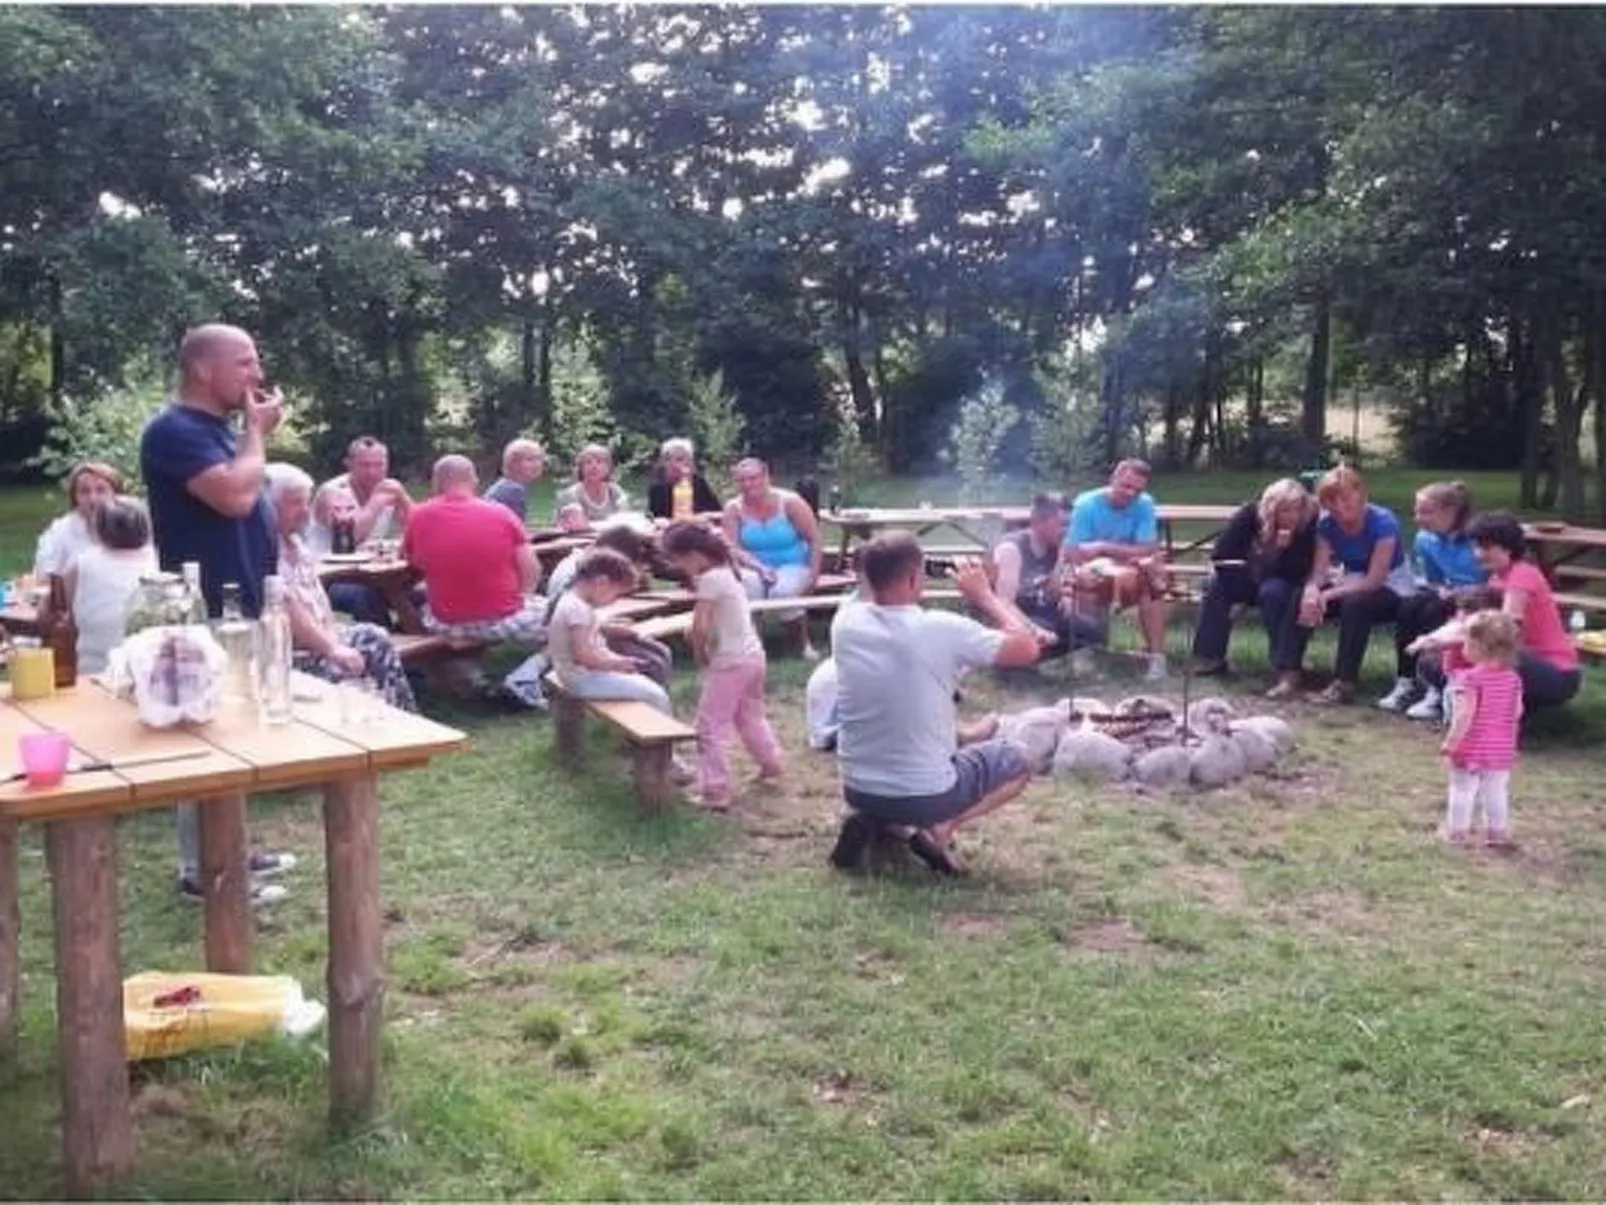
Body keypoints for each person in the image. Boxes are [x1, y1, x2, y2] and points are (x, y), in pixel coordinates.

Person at [139, 322, 294, 905]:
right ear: (204, 370)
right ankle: (202, 872)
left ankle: (230, 848)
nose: (258, 374)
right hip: (206, 609)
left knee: (236, 731)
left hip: (244, 602)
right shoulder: (174, 432)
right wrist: (256, 434)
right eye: (245, 363)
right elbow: (234, 496)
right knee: (206, 738)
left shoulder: (220, 433)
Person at [829, 532, 1042, 875]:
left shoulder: (845, 621)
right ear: (915, 577)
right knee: (1020, 759)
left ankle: (881, 821)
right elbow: (1028, 648)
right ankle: (939, 828)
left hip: (858, 788)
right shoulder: (939, 628)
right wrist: (986, 596)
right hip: (925, 792)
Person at [266, 464, 417, 712]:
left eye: (306, 502)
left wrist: (332, 635)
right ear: (268, 507)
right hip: (293, 655)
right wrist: (332, 648)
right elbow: (288, 607)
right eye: (295, 503)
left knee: (374, 636)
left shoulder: (296, 543)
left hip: (322, 640)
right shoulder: (265, 550)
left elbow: (318, 597)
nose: (305, 511)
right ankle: (388, 716)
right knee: (366, 609)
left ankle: (403, 716)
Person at [661, 521, 784, 809]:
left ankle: (716, 791)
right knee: (750, 715)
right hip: (753, 656)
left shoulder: (709, 580)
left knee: (709, 726)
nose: (679, 567)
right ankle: (771, 763)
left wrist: (699, 651)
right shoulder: (728, 572)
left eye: (679, 560)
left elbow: (700, 627)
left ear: (694, 555)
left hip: (730, 662)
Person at [404, 454, 546, 704]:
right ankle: (526, 675)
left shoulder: (417, 515)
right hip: (500, 616)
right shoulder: (501, 513)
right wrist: (524, 597)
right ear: (474, 480)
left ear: (436, 481)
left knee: (419, 599)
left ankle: (465, 673)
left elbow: (411, 562)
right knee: (570, 618)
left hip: (445, 621)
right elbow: (532, 569)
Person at [1411, 512, 1581, 716]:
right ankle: (1467, 706)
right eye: (1476, 547)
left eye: (1486, 547)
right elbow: (1465, 621)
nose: (1478, 554)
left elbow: (1503, 630)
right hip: (1520, 659)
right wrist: (1431, 639)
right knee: (1431, 661)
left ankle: (1501, 714)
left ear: (1508, 547)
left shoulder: (1522, 574)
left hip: (1555, 672)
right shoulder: (1496, 579)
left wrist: (1450, 641)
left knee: (1495, 655)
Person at [1290, 466, 1417, 704]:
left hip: (1393, 585)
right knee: (1300, 597)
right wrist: (1312, 591)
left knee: (1356, 605)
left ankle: (1344, 682)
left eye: (1346, 497)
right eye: (1331, 499)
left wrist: (1328, 595)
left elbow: (1374, 579)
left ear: (1362, 495)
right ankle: (1290, 671)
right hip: (1351, 580)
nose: (1339, 505)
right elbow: (1319, 572)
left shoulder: (1383, 522)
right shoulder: (1326, 525)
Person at [1190, 478, 1320, 683]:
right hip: (1249, 576)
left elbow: (1299, 569)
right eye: (1285, 510)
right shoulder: (1250, 515)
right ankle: (1210, 657)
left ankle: (1284, 661)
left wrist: (1280, 551)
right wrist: (1253, 568)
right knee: (1216, 586)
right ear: (1271, 509)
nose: (1292, 516)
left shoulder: (1308, 523)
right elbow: (1222, 554)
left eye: (1297, 509)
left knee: (1273, 593)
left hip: (1285, 580)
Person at [1379, 481, 1488, 718]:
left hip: (1480, 599)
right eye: (1417, 511)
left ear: (1451, 512)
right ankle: (1406, 680)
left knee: (1434, 610)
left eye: (1426, 512)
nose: (1418, 518)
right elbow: (1433, 580)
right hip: (1447, 593)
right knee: (1408, 606)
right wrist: (1441, 589)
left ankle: (1437, 690)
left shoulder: (1476, 539)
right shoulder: (1424, 539)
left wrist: (1460, 592)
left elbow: (1493, 580)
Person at [1063, 459, 1171, 681]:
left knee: (1153, 583)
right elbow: (1074, 552)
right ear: (1113, 479)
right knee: (1084, 579)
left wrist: (1103, 547)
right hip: (1091, 572)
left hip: (1129, 573)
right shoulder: (1086, 505)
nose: (1131, 494)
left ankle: (1157, 659)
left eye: (1137, 490)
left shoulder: (1144, 504)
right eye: (1126, 486)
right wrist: (1121, 554)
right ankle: (1085, 653)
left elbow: (1147, 549)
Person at [1437, 610, 1524, 847]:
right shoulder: (1513, 679)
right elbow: (1517, 711)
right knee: (1496, 790)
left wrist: (1450, 743)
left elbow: (1464, 715)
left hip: (1472, 745)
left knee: (1462, 788)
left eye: (1466, 640)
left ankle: (1456, 833)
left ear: (1478, 647)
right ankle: (1497, 833)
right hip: (1501, 747)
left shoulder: (1469, 679)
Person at [723, 457, 824, 660]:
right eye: (742, 480)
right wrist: (759, 568)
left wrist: (813, 576)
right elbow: (733, 548)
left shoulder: (791, 503)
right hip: (753, 566)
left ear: (766, 477)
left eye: (753, 478)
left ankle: (803, 644)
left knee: (783, 591)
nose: (748, 484)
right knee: (747, 587)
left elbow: (814, 540)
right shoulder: (733, 508)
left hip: (793, 565)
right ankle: (753, 647)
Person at [306, 436, 413, 626]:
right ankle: (380, 641)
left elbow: (418, 529)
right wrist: (376, 502)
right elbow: (351, 538)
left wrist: (403, 499)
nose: (372, 472)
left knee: (416, 593)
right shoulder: (333, 492)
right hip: (327, 578)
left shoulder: (390, 488)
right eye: (365, 465)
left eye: (379, 465)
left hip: (369, 573)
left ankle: (414, 634)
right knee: (366, 597)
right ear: (349, 464)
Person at [989, 491, 1104, 659]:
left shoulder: (1054, 545)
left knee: (1092, 631)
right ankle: (1018, 668)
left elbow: (1052, 594)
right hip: (1010, 618)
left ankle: (1069, 668)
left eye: (1069, 525)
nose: (1067, 531)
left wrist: (1061, 558)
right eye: (1062, 524)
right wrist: (1035, 630)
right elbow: (1003, 604)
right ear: (1038, 522)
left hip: (1041, 612)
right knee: (1045, 637)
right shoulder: (1011, 549)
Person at [71, 496, 157, 675]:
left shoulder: (83, 563)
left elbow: (60, 609)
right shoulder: (159, 562)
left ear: (100, 529)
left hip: (93, 668)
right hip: (149, 669)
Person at [34, 461, 122, 579]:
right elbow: (44, 576)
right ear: (75, 497)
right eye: (84, 491)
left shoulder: (131, 527)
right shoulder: (59, 532)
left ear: (116, 494)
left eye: (101, 490)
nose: (92, 498)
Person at [647, 437, 722, 520]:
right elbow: (655, 518)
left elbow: (720, 513)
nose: (686, 463)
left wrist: (705, 516)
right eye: (680, 459)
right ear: (666, 462)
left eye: (689, 459)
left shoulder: (699, 483)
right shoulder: (658, 487)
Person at [553, 444, 627, 527]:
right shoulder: (572, 494)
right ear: (581, 468)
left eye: (599, 462)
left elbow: (623, 517)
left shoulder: (614, 491)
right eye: (588, 462)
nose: (594, 466)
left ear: (608, 468)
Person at [484, 437, 547, 523]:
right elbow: (516, 528)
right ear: (513, 463)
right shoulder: (513, 490)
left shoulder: (504, 485)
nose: (537, 464)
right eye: (530, 459)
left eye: (539, 459)